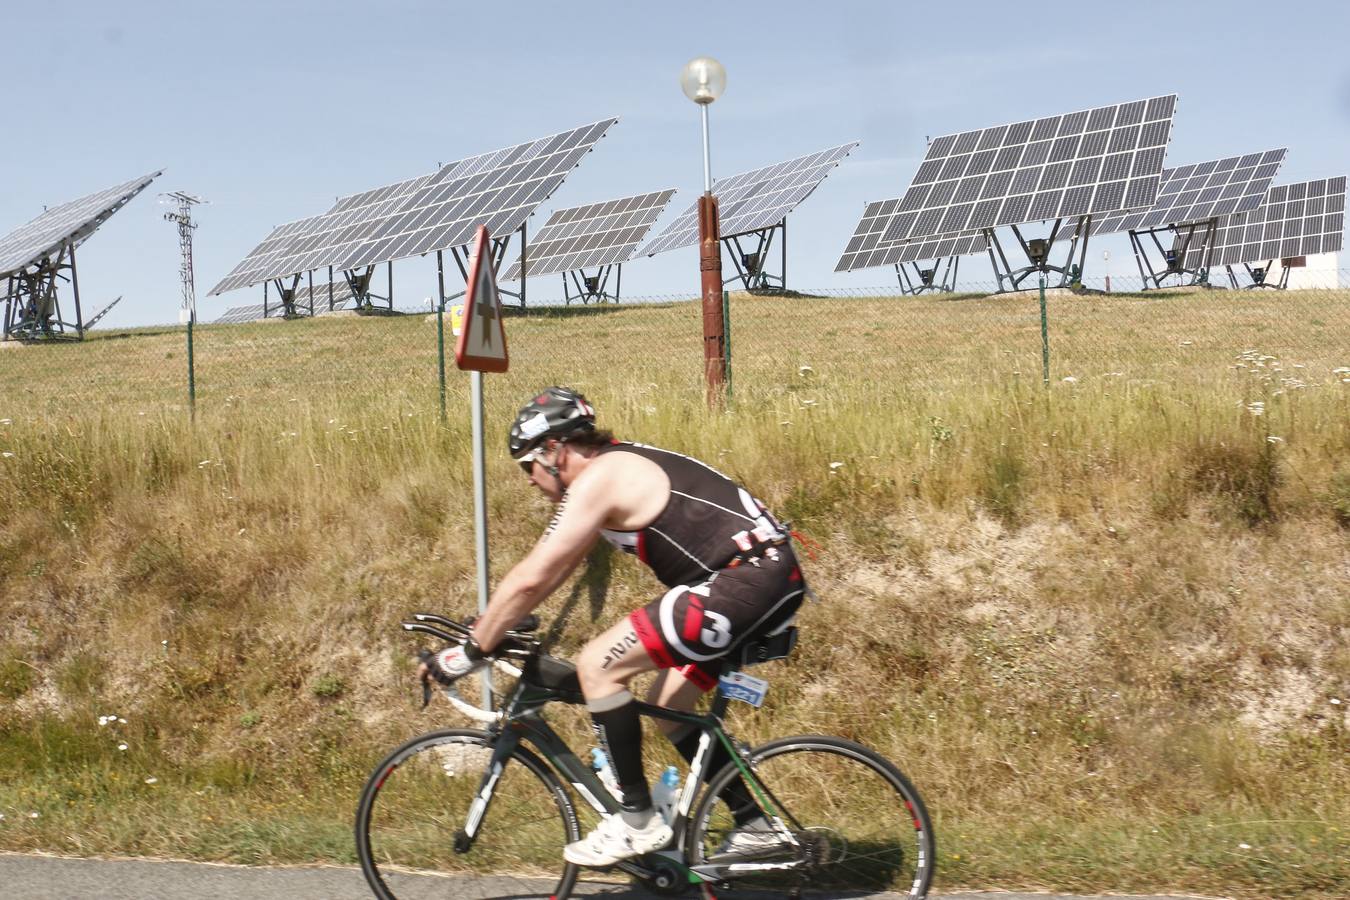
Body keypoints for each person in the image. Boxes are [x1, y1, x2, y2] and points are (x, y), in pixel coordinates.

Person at [419, 386, 806, 867]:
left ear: (554, 451)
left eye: (527, 466)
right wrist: (494, 625)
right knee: (668, 707)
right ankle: (754, 824)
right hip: (760, 576)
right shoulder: (618, 466)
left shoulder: (601, 478)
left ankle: (636, 819)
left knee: (597, 666)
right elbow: (552, 571)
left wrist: (471, 650)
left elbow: (533, 578)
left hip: (744, 579)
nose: (528, 481)